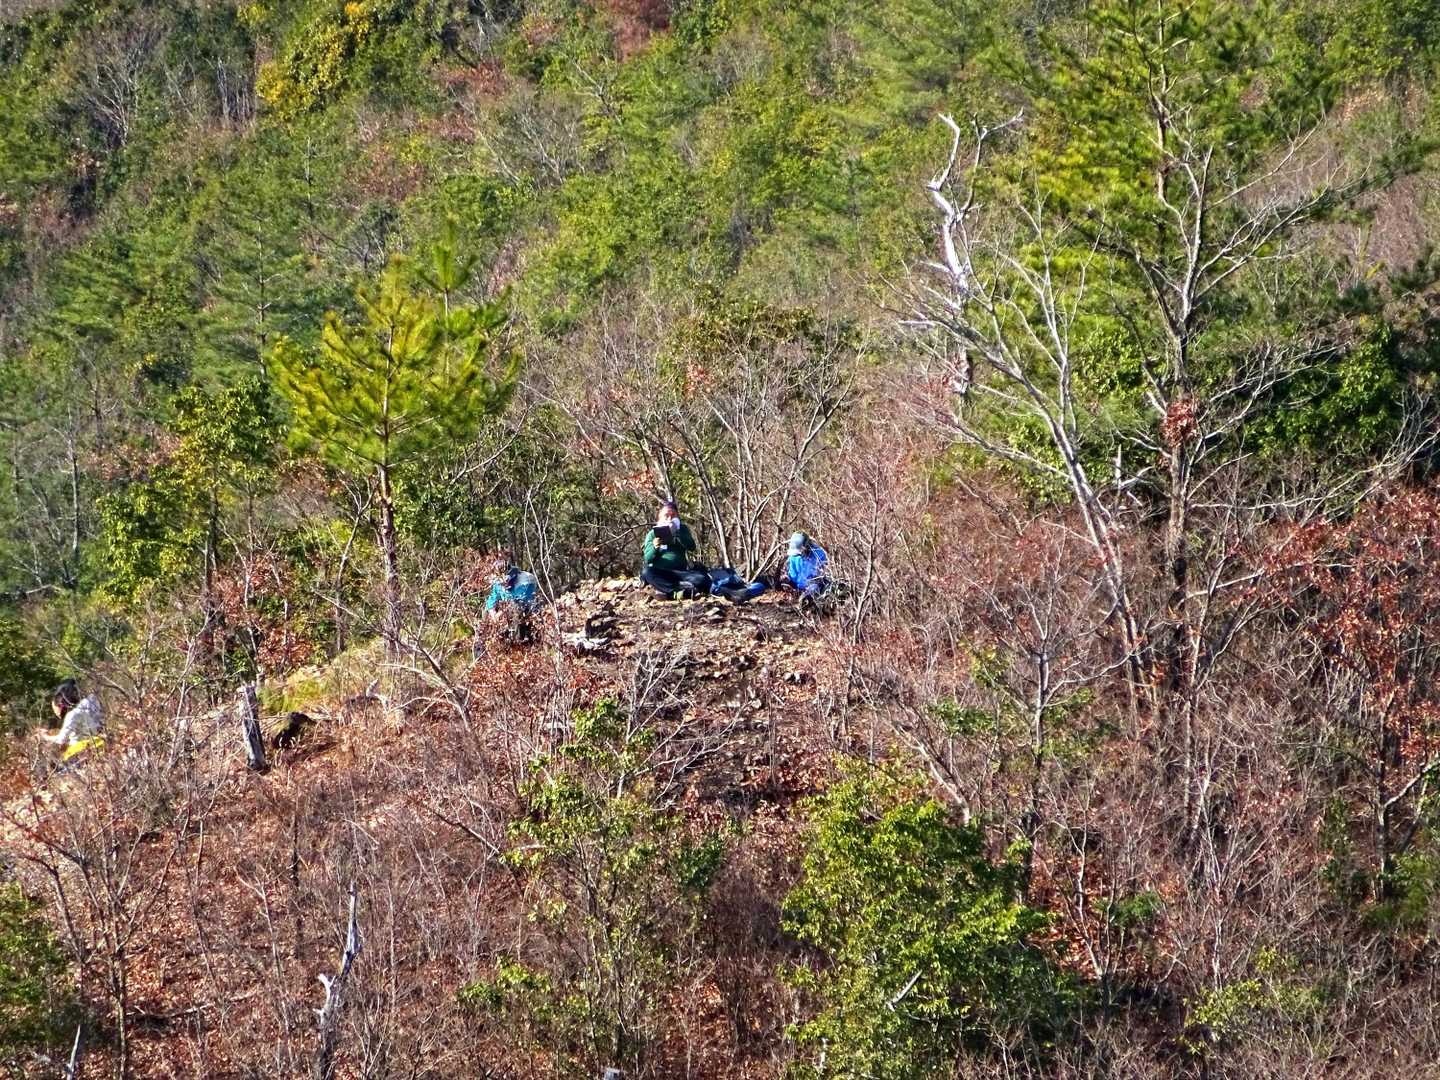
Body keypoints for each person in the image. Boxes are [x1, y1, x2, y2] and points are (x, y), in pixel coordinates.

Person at [640, 501, 711, 599]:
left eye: (673, 515)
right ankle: (675, 592)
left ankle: (674, 588)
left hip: (681, 572)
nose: (670, 518)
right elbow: (647, 559)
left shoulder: (682, 529)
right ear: (660, 517)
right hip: (661, 572)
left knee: (702, 579)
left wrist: (678, 533)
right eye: (666, 515)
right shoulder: (652, 534)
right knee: (646, 572)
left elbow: (692, 547)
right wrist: (654, 547)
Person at [39, 678, 105, 758]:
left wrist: (45, 736)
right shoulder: (91, 700)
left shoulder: (72, 714)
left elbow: (61, 739)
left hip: (81, 750)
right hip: (100, 742)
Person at [784, 531, 831, 599]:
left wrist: (810, 588)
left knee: (813, 590)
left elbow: (821, 576)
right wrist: (787, 579)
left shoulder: (819, 554)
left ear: (806, 546)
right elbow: (792, 573)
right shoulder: (793, 555)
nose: (798, 555)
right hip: (796, 587)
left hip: (813, 587)